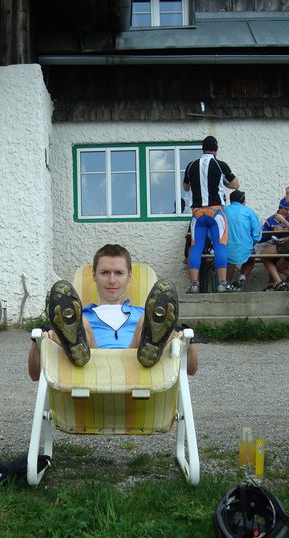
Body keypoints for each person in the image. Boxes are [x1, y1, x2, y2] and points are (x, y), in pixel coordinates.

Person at [28, 244, 198, 381]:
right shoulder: (76, 315)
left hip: (139, 375)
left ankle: (151, 343)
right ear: (94, 276)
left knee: (147, 321)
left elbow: (191, 369)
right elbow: (35, 375)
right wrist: (40, 341)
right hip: (89, 376)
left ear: (129, 276)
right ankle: (76, 344)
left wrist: (185, 340)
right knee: (78, 324)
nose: (111, 280)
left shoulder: (147, 314)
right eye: (104, 273)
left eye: (118, 273)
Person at [183, 136, 240, 293]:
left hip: (197, 213)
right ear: (216, 150)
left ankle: (194, 285)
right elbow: (235, 185)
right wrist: (223, 182)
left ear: (203, 149)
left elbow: (186, 187)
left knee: (196, 247)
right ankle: (222, 283)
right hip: (216, 212)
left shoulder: (191, 165)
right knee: (219, 246)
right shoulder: (220, 165)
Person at [259, 185, 289, 291]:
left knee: (264, 255)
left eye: (287, 193)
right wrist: (286, 238)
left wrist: (283, 220)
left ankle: (280, 282)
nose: (285, 196)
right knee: (280, 267)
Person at [223, 189, 261, 288]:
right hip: (246, 247)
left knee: (231, 259)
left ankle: (226, 283)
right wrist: (252, 242)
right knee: (251, 258)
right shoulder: (249, 211)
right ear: (243, 200)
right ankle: (242, 276)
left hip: (226, 246)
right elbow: (257, 234)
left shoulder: (223, 210)